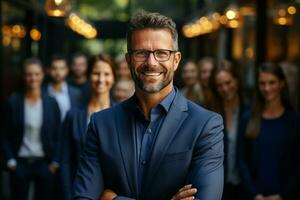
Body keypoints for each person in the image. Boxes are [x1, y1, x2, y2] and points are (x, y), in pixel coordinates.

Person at [73, 11, 224, 200]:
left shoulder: (206, 125)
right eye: (141, 53)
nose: (151, 63)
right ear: (128, 60)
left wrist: (111, 198)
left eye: (162, 53)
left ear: (176, 60)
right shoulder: (101, 124)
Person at [238, 62, 300, 200]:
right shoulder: (248, 118)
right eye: (262, 83)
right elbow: (241, 160)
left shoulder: (294, 119)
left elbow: (298, 164)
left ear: (282, 83)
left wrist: (283, 195)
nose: (267, 88)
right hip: (254, 195)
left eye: (272, 83)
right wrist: (254, 194)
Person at [1, 58, 61, 200]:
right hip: (20, 163)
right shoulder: (13, 102)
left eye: (36, 74)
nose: (33, 78)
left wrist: (55, 162)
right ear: (24, 76)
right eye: (29, 74)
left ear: (43, 75)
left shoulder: (52, 103)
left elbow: (59, 135)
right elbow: (4, 134)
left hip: (45, 164)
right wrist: (10, 161)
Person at [60, 54, 116, 200]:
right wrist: (68, 194)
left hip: (112, 193)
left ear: (114, 77)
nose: (101, 80)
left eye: (107, 74)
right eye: (96, 73)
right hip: (80, 190)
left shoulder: (122, 114)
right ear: (89, 76)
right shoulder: (73, 115)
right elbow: (65, 160)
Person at [209, 60, 248, 200]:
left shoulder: (249, 111)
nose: (224, 89)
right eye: (219, 85)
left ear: (237, 81)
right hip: (219, 186)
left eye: (228, 82)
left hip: (246, 186)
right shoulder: (211, 113)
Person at [46, 54, 82, 121]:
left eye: (62, 68)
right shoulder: (42, 92)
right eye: (54, 68)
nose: (58, 72)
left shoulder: (76, 94)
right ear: (48, 70)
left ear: (67, 70)